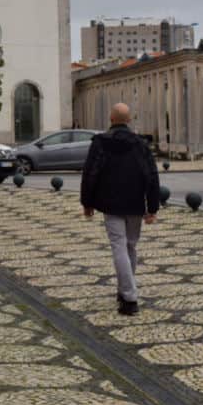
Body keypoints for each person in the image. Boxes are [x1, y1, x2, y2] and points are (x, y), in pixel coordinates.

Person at [80, 102, 159, 315]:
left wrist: (87, 203)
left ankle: (130, 296)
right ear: (130, 120)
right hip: (135, 202)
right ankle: (125, 291)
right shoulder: (140, 144)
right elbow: (151, 175)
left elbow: (90, 173)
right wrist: (152, 207)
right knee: (130, 246)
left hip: (111, 203)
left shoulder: (100, 143)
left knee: (119, 246)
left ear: (111, 119)